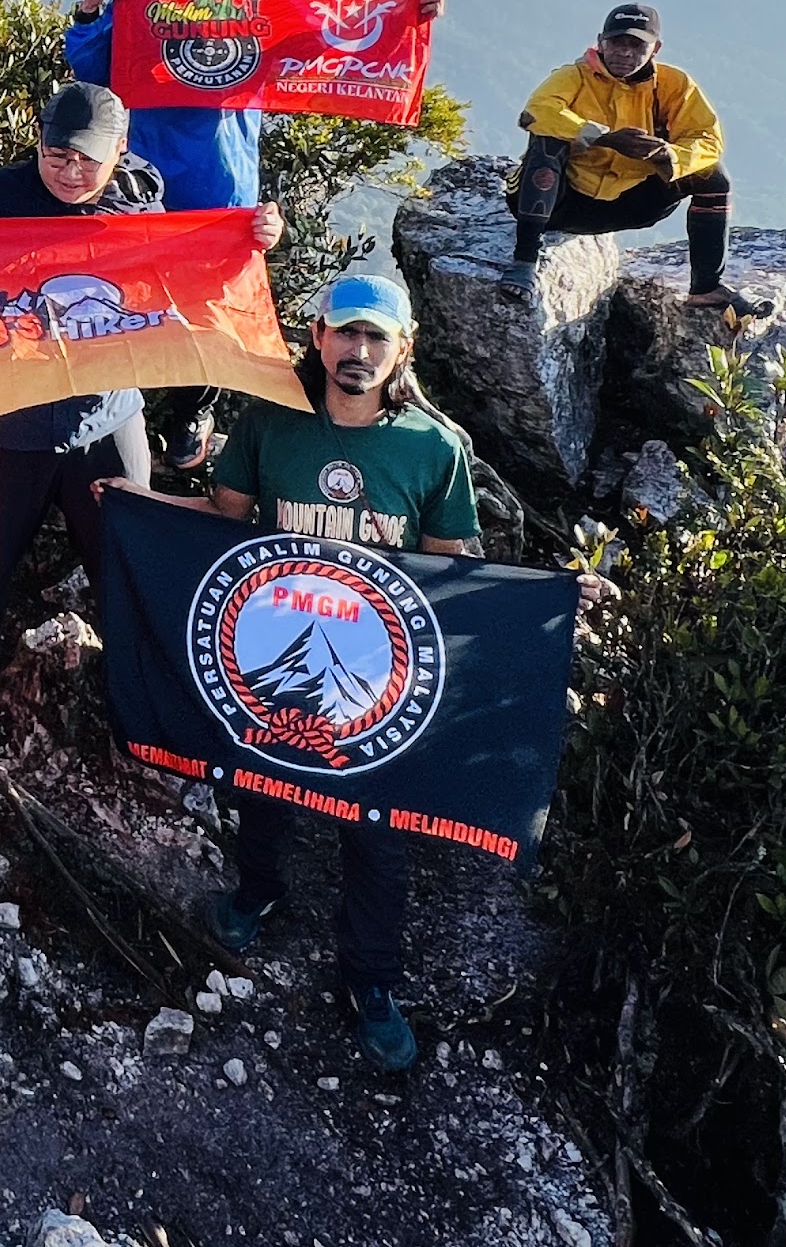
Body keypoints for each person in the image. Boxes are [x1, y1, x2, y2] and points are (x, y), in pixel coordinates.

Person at [196, 273, 479, 1074]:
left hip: (381, 675)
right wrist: (137, 502)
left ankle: (371, 981)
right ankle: (257, 891)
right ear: (316, 338)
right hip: (275, 658)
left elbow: (458, 568)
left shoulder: (434, 447)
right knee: (262, 787)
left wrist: (552, 599)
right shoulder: (270, 421)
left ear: (403, 349)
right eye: (345, 334)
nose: (359, 352)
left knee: (380, 833)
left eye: (376, 338)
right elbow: (225, 522)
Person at [67, 0, 438, 463]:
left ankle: (192, 412)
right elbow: (88, 65)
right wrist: (90, 9)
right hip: (145, 174)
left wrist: (408, 12)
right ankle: (122, 410)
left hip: (225, 178)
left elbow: (337, 41)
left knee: (217, 308)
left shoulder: (264, 0)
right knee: (133, 297)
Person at [0, 82, 162, 683]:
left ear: (120, 150)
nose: (70, 172)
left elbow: (180, 286)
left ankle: (138, 679)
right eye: (56, 155)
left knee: (128, 548)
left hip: (106, 413)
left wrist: (251, 241)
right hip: (6, 415)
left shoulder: (143, 206)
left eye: (87, 160)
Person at [507, 1, 768, 315]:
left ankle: (707, 287)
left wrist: (668, 156)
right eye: (617, 42)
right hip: (562, 203)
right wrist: (602, 137)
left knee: (713, 177)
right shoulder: (573, 77)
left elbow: (707, 138)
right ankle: (524, 263)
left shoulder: (674, 85)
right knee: (547, 140)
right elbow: (536, 112)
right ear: (601, 40)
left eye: (637, 45)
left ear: (655, 48)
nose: (625, 52)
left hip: (631, 202)